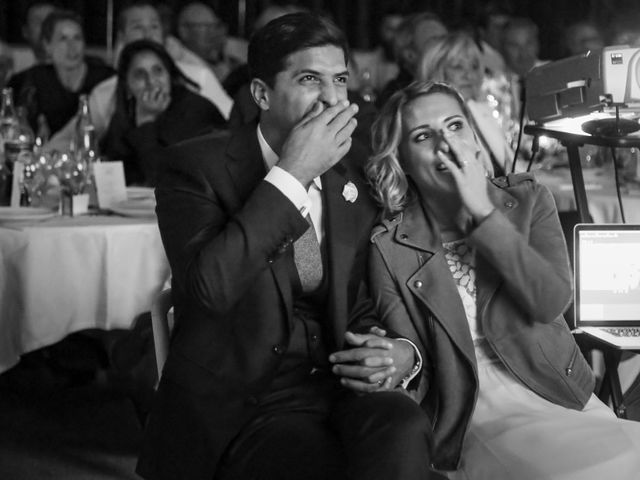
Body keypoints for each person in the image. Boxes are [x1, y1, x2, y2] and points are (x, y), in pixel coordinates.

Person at [137, 13, 438, 480]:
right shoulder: (194, 168)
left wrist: (400, 351)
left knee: (403, 427)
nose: (333, 98)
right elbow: (207, 291)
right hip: (244, 405)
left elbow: (363, 295)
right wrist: (292, 174)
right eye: (309, 79)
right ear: (261, 94)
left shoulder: (353, 168)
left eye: (340, 79)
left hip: (339, 387)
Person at [366, 80, 640, 479]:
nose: (446, 143)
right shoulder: (390, 244)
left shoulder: (528, 200)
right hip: (472, 407)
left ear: (475, 139)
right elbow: (414, 354)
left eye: (455, 126)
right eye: (423, 136)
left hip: (553, 388)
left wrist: (483, 214)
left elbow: (550, 302)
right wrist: (394, 356)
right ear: (403, 159)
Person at [45, 0, 232, 153]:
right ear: (121, 36)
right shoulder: (108, 91)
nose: (148, 34)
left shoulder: (197, 77)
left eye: (154, 26)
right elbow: (68, 142)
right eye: (138, 27)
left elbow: (233, 126)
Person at [101, 40, 226, 185]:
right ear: (127, 86)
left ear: (169, 76)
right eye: (140, 75)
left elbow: (165, 181)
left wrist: (146, 122)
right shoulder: (127, 113)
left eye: (158, 71)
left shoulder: (195, 110)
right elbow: (110, 172)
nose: (151, 81)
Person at [418, 32, 513, 175]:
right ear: (436, 70)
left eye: (474, 66)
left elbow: (515, 168)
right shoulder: (431, 122)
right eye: (458, 67)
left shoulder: (481, 109)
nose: (469, 75)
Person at [8, 9, 114, 136]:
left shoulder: (106, 79)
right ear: (47, 45)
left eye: (77, 38)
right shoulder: (31, 80)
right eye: (63, 39)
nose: (72, 46)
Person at [377, 11, 447, 108]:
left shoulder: (457, 86)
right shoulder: (397, 99)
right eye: (435, 40)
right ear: (409, 54)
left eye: (447, 40)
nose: (448, 48)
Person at [176, 1, 248, 86]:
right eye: (205, 26)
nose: (212, 32)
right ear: (184, 31)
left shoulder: (224, 60)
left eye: (215, 26)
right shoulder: (180, 65)